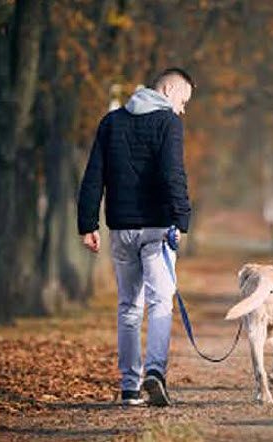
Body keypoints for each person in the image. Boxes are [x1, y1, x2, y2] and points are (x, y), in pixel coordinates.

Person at [77, 68, 194, 407]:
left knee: (129, 307)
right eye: (183, 101)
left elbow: (93, 174)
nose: (182, 109)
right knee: (160, 302)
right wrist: (182, 220)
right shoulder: (168, 123)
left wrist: (88, 223)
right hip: (158, 228)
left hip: (121, 229)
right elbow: (174, 172)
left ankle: (129, 387)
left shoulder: (111, 122)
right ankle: (154, 372)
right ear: (169, 89)